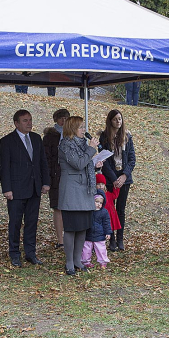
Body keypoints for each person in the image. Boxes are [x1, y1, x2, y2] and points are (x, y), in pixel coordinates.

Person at [0, 109, 50, 267]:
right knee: (15, 222)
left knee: (32, 222)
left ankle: (30, 253)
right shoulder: (7, 141)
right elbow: (4, 167)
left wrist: (45, 182)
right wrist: (7, 188)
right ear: (16, 123)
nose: (29, 123)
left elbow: (42, 162)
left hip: (34, 188)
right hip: (16, 190)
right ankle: (14, 253)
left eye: (30, 120)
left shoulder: (36, 138)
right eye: (25, 121)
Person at [58, 116, 98, 275]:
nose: (84, 130)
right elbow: (78, 163)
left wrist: (95, 162)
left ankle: (77, 260)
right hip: (72, 192)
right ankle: (69, 262)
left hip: (84, 191)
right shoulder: (65, 145)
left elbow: (85, 162)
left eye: (84, 127)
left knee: (82, 228)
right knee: (71, 228)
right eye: (81, 127)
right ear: (72, 129)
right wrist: (91, 150)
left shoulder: (82, 145)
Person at [99, 109, 136, 251]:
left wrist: (124, 175)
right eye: (115, 119)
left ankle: (120, 238)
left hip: (124, 179)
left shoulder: (127, 136)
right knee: (110, 209)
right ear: (110, 121)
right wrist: (114, 178)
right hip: (110, 179)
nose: (118, 121)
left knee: (121, 209)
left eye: (120, 119)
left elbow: (132, 159)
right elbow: (105, 159)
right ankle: (111, 239)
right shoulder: (104, 137)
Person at [43, 108, 70, 250]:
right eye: (61, 118)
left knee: (70, 208)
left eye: (66, 118)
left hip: (70, 177)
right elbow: (46, 159)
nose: (63, 121)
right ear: (56, 120)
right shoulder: (50, 136)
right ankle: (61, 240)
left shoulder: (72, 135)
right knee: (58, 208)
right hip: (55, 177)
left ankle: (70, 238)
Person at [82, 191, 112, 269]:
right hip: (88, 234)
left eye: (100, 203)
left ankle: (103, 262)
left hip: (100, 235)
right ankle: (85, 261)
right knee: (86, 249)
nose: (98, 204)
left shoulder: (104, 212)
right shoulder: (88, 211)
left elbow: (107, 223)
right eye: (96, 202)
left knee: (101, 249)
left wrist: (108, 232)